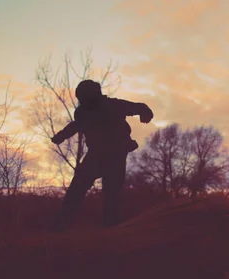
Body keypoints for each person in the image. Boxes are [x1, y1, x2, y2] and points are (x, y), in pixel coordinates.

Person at [50, 79, 153, 230]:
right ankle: (61, 226)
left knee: (110, 193)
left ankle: (110, 228)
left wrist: (146, 114)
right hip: (98, 155)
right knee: (79, 189)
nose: (83, 103)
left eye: (85, 99)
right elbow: (75, 126)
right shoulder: (84, 112)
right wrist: (62, 135)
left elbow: (141, 107)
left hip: (115, 154)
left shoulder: (113, 105)